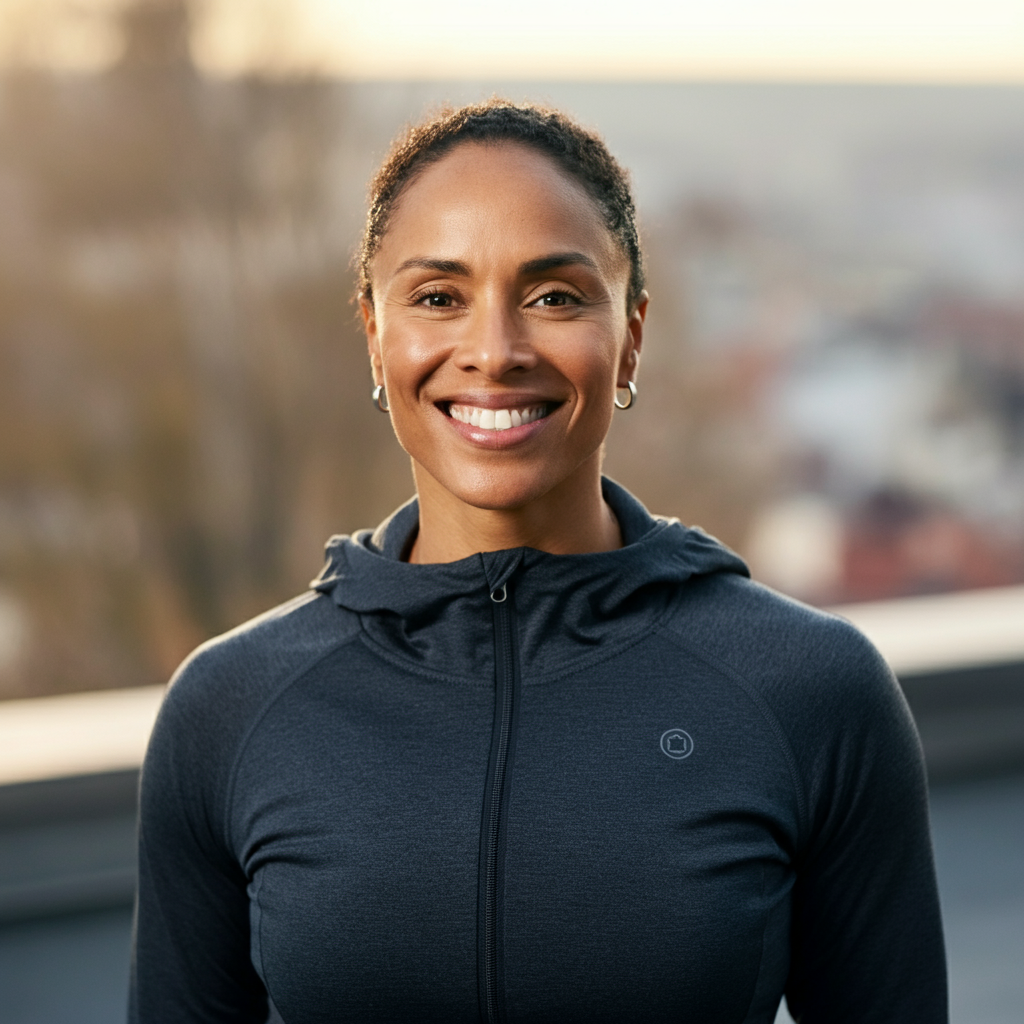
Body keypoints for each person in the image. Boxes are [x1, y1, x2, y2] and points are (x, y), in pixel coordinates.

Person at [130, 101, 947, 1023]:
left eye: (554, 296)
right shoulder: (230, 709)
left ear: (630, 334)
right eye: (438, 297)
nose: (494, 351)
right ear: (374, 333)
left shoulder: (811, 692)